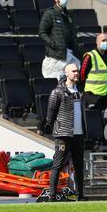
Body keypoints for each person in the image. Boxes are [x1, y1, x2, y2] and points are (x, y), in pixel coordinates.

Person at [46, 63, 86, 202]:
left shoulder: (79, 91)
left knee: (79, 166)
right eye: (73, 71)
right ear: (66, 73)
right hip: (64, 135)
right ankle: (52, 196)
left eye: (77, 71)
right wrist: (58, 129)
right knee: (58, 165)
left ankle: (80, 195)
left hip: (79, 134)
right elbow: (50, 115)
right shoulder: (57, 92)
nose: (76, 73)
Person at [39, 0, 80, 80]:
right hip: (56, 54)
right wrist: (53, 44)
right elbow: (42, 32)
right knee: (58, 80)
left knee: (73, 76)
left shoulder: (68, 14)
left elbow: (72, 33)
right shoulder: (50, 13)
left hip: (69, 52)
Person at [80, 33, 107, 111]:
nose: (105, 43)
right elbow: (82, 75)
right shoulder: (90, 56)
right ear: (97, 42)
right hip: (93, 96)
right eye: (103, 40)